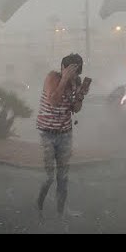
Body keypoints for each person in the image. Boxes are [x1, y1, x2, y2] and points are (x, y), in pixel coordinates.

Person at [36, 53, 89, 219]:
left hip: (65, 133)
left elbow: (75, 109)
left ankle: (61, 211)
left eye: (77, 72)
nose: (75, 75)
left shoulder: (77, 82)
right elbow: (53, 101)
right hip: (47, 132)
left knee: (63, 176)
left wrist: (81, 95)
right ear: (63, 68)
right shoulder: (52, 77)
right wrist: (64, 80)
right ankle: (39, 206)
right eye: (72, 71)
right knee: (48, 177)